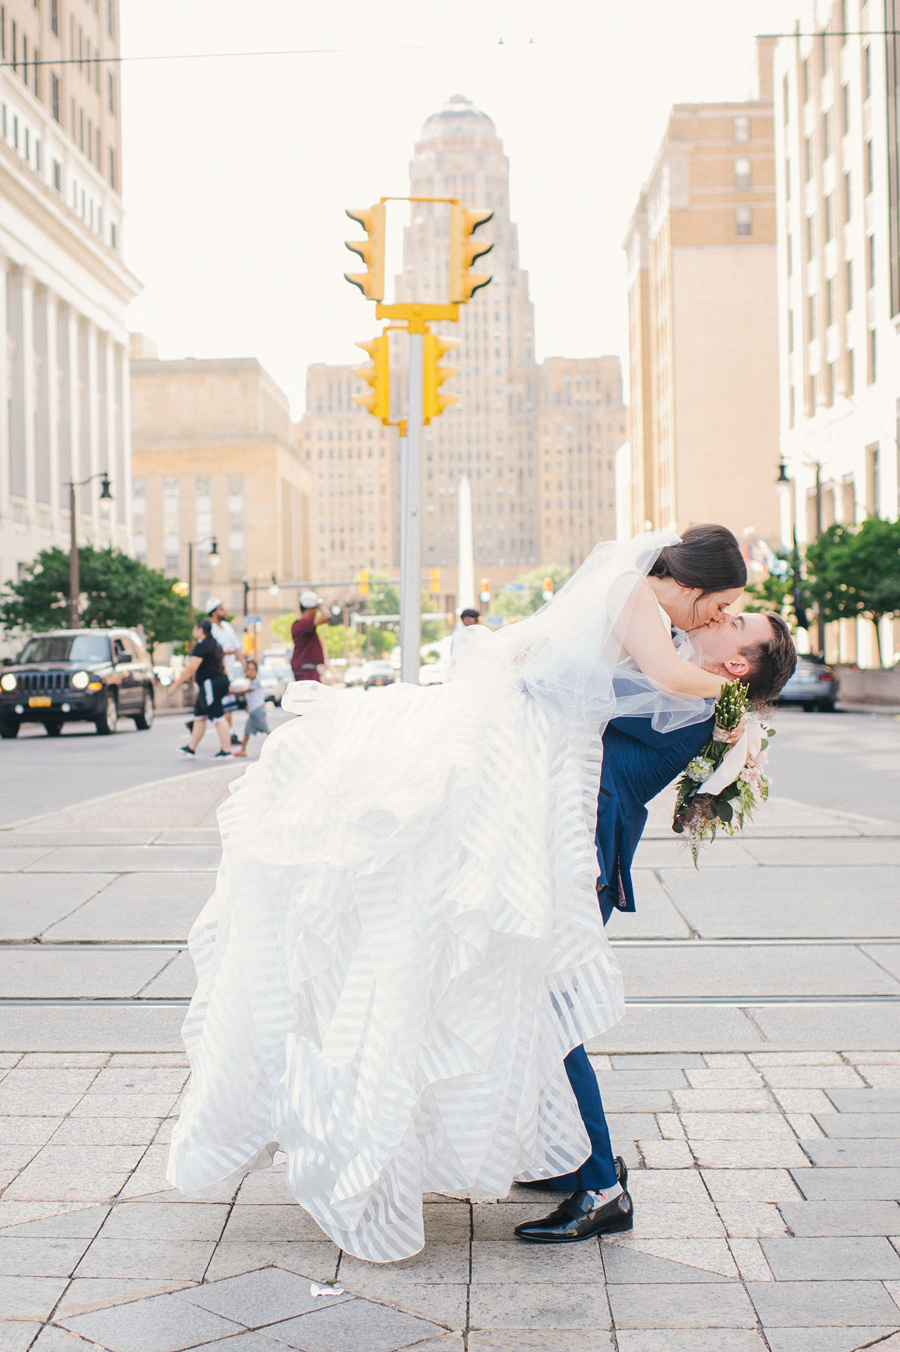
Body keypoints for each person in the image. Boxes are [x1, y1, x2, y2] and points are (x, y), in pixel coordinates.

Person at [168, 526, 749, 1263]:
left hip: (547, 764)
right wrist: (741, 700)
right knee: (512, 954)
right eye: (721, 602)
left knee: (516, 965)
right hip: (529, 757)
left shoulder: (631, 602)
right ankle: (590, 1173)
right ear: (693, 583)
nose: (714, 617)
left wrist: (731, 715)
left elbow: (627, 690)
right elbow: (667, 674)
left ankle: (586, 1169)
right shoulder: (637, 595)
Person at [513, 607, 797, 1243]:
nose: (724, 613)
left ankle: (601, 1189)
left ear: (737, 665)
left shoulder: (689, 694)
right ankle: (572, 1163)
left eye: (739, 618)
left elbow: (565, 689)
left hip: (582, 852)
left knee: (554, 1011)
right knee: (537, 1005)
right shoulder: (685, 681)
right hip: (574, 841)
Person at [171, 619, 233, 759]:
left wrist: (176, 684)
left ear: (200, 630)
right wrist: (227, 683)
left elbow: (192, 668)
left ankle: (226, 750)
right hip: (217, 682)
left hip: (210, 683)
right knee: (200, 715)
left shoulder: (202, 646)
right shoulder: (215, 644)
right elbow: (223, 665)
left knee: (217, 714)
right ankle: (191, 748)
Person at [206, 599, 247, 745]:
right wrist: (224, 653)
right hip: (217, 672)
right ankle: (228, 734)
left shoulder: (228, 627)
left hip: (228, 672)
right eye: (221, 609)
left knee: (227, 705)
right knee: (221, 704)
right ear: (213, 612)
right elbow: (211, 652)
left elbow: (236, 647)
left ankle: (229, 733)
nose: (224, 612)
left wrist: (244, 663)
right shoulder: (210, 630)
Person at [232, 660, 270, 759]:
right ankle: (242, 750)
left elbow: (247, 691)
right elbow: (252, 696)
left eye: (253, 670)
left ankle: (279, 746)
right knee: (247, 731)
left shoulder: (256, 681)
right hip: (253, 711)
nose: (251, 672)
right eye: (249, 669)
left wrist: (233, 693)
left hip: (258, 711)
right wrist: (248, 706)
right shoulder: (252, 682)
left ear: (257, 671)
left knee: (267, 731)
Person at [290, 591, 329, 683]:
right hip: (305, 670)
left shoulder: (303, 625)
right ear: (308, 609)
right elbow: (327, 616)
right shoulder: (302, 624)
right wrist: (321, 606)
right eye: (315, 608)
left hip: (308, 669)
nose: (316, 611)